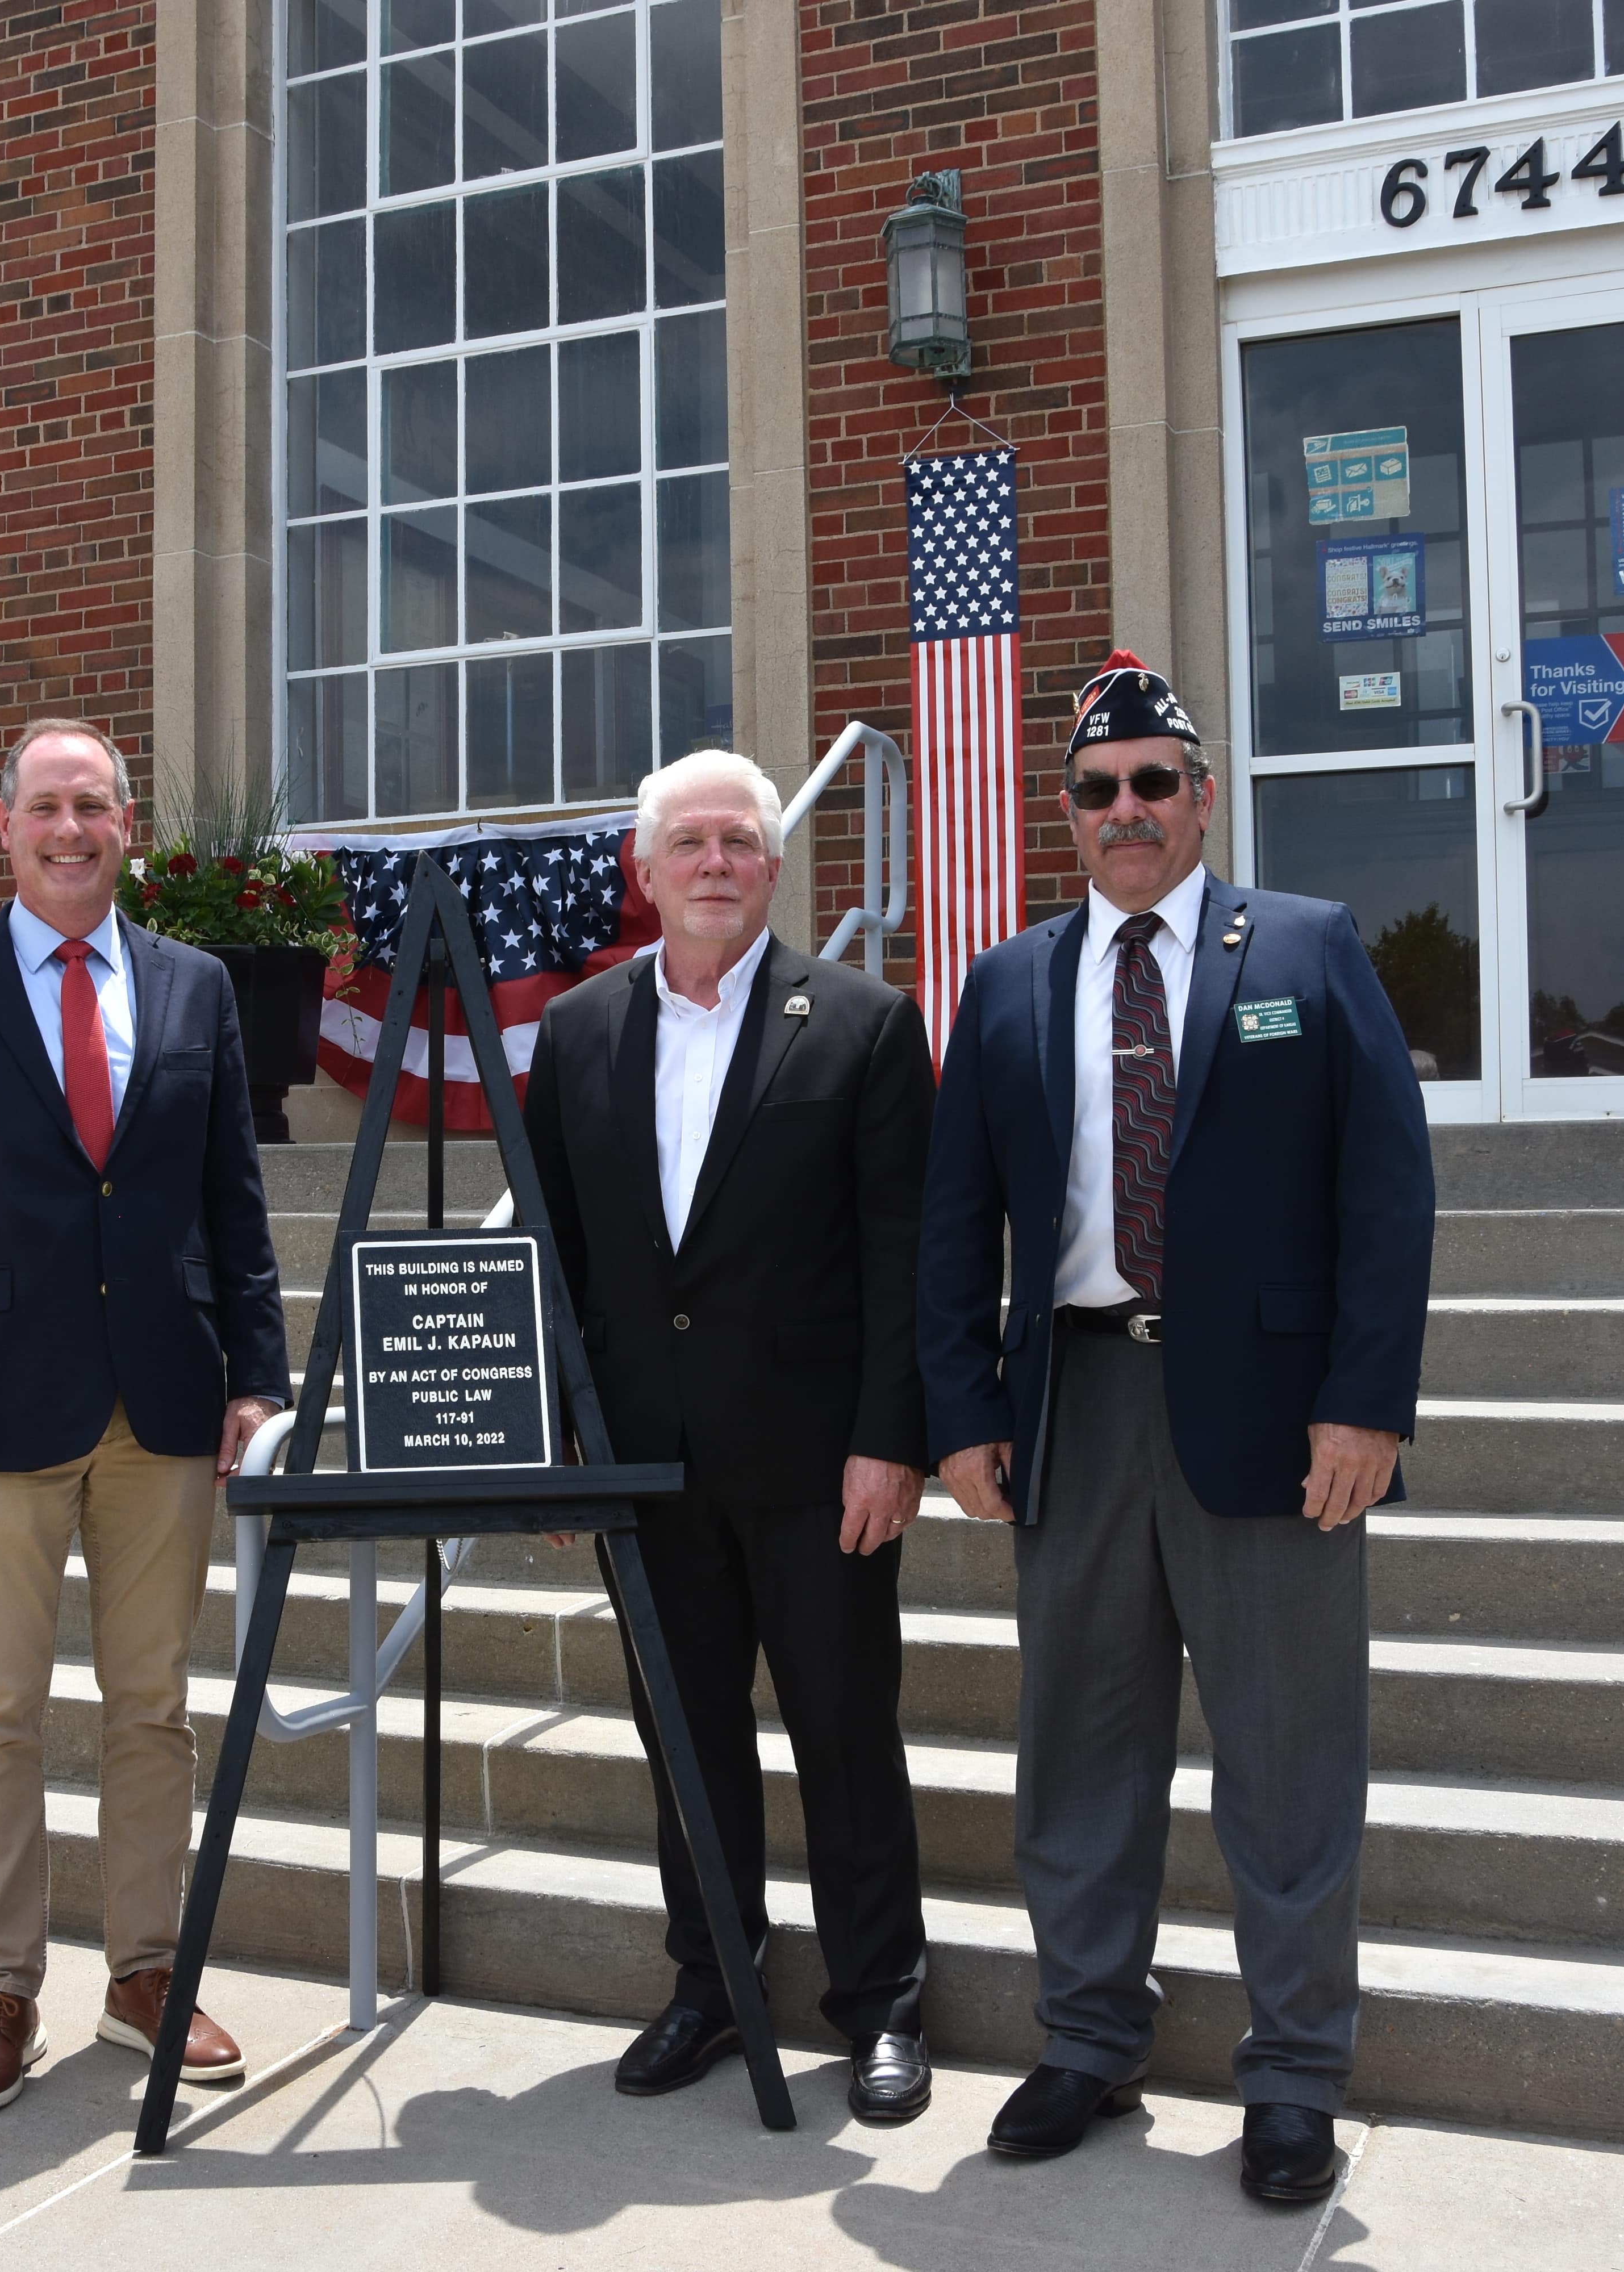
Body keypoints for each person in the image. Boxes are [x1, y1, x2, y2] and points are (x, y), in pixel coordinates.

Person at [913, 653, 1432, 2204]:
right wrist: (959, 1411)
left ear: (1203, 796)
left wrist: (1365, 1403)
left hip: (1273, 1422)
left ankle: (1291, 2078)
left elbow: (1384, 1196)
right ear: (1067, 816)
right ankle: (1085, 2041)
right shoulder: (1009, 983)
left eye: (1154, 781)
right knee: (1080, 1749)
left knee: (1286, 1759)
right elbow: (955, 1225)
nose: (1126, 808)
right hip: (1074, 1400)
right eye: (1097, 790)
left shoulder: (1309, 948)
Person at [0, 717, 289, 2116]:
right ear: (3, 825)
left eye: (92, 806)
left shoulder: (198, 987)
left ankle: (146, 1972)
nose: (69, 829)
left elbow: (233, 1204)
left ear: (126, 827)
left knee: (153, 1705)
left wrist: (258, 1377)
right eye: (45, 806)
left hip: (164, 1401)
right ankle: (0, 1988)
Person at [526, 749, 937, 2124]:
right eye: (690, 841)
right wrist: (563, 1439)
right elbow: (556, 1257)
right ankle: (712, 1980)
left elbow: (905, 1257)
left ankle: (881, 2001)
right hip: (647, 1462)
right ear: (644, 870)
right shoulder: (577, 1034)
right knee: (684, 1738)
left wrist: (896, 1438)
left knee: (842, 1730)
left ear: (775, 866)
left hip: (823, 1466)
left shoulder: (867, 1024)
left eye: (741, 841)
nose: (716, 861)